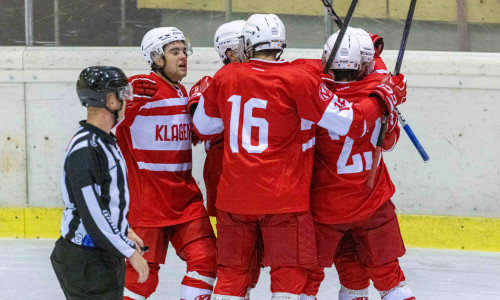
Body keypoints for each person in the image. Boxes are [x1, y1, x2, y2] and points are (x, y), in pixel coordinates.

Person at [193, 14, 407, 300]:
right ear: (282, 42)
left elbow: (204, 128)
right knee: (289, 277)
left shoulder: (225, 76)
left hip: (234, 198)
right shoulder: (299, 79)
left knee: (232, 275)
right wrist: (381, 93)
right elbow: (352, 122)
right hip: (284, 199)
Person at [299, 28, 416, 300]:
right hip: (372, 204)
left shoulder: (315, 96)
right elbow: (389, 142)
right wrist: (384, 81)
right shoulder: (380, 95)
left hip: (325, 209)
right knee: (390, 278)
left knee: (308, 280)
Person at [115, 27, 217, 300]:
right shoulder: (141, 89)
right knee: (141, 278)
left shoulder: (182, 93)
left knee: (207, 259)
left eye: (185, 50)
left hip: (185, 200)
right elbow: (109, 111)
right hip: (148, 203)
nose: (183, 56)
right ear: (157, 59)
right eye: (175, 52)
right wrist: (124, 93)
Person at [50, 66, 149, 300]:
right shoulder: (86, 149)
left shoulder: (104, 142)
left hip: (100, 253)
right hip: (86, 259)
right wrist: (129, 252)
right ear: (111, 100)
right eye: (123, 94)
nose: (128, 99)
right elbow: (91, 212)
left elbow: (107, 197)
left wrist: (125, 229)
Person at [188, 19, 263, 300]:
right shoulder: (211, 84)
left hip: (265, 183)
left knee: (255, 262)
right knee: (236, 262)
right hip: (228, 183)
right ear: (230, 53)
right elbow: (200, 128)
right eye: (248, 45)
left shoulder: (269, 78)